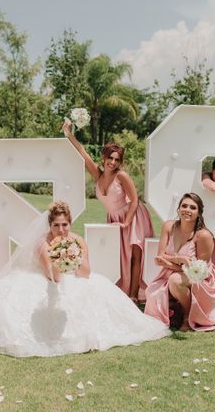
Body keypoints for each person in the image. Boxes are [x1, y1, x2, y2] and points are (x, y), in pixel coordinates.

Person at [0, 201, 170, 357]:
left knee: (93, 291)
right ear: (50, 225)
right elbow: (54, 276)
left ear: (70, 224)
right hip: (48, 280)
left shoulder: (76, 239)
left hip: (75, 277)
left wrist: (72, 254)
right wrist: (61, 255)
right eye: (56, 225)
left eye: (65, 225)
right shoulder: (43, 243)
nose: (61, 230)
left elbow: (85, 272)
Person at [62, 119, 153, 303]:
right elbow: (83, 153)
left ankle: (134, 295)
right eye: (109, 158)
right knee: (119, 255)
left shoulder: (122, 176)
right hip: (114, 218)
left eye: (117, 159)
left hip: (133, 216)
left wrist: (127, 222)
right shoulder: (98, 174)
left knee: (136, 255)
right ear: (103, 157)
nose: (112, 162)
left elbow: (135, 200)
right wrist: (69, 134)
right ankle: (122, 291)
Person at [144, 193, 215, 332]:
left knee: (174, 281)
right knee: (153, 294)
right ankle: (175, 312)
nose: (187, 210)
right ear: (178, 209)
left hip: (202, 279)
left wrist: (168, 263)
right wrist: (180, 260)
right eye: (184, 206)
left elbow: (198, 271)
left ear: (199, 213)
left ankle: (187, 316)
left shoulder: (203, 235)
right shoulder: (169, 226)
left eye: (193, 207)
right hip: (174, 272)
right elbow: (159, 257)